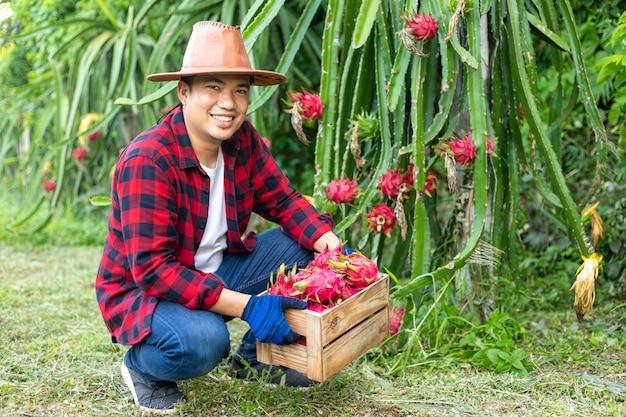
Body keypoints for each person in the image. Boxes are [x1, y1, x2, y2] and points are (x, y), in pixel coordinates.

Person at [95, 21, 343, 414]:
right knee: (204, 343)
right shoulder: (150, 159)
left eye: (239, 90)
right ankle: (142, 367)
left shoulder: (241, 142)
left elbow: (285, 201)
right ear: (184, 92)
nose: (228, 103)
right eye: (213, 87)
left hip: (214, 270)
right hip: (148, 292)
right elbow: (154, 270)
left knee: (306, 246)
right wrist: (248, 306)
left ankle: (253, 360)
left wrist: (334, 250)